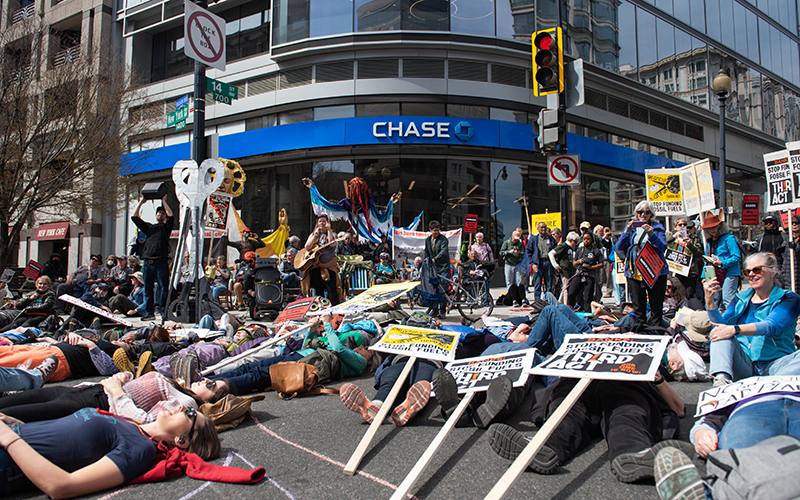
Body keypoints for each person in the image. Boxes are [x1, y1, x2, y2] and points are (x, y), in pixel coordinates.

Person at [488, 375, 690, 482]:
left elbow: (678, 408)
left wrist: (658, 379)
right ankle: (542, 447)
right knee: (568, 414)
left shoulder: (645, 366)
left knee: (626, 415)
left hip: (626, 384)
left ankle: (636, 453)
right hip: (580, 385)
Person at [0, 405, 220, 497]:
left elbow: (61, 487)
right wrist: (13, 424)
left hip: (7, 458)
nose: (182, 407)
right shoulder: (130, 424)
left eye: (190, 414)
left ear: (182, 441)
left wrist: (9, 438)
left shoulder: (141, 449)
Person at [704, 252, 800, 387]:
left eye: (757, 269)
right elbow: (720, 326)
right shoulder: (740, 298)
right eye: (747, 271)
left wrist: (734, 330)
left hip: (777, 367)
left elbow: (770, 326)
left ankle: (774, 388)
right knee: (720, 332)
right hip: (744, 365)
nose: (751, 274)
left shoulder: (789, 298)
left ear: (773, 271)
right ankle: (721, 382)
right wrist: (710, 301)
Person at [616, 200, 669, 327]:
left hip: (655, 272)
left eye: (646, 212)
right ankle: (641, 328)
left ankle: (656, 330)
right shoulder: (632, 229)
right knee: (638, 305)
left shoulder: (657, 228)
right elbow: (619, 246)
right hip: (635, 272)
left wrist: (651, 234)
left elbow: (662, 247)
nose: (643, 215)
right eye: (640, 212)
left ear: (651, 214)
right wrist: (626, 232)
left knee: (656, 305)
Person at [132, 195, 174, 318]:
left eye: (163, 213)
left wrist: (164, 201)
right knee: (148, 289)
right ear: (155, 215)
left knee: (163, 288)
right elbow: (134, 217)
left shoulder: (166, 228)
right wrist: (141, 202)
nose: (161, 214)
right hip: (147, 263)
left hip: (161, 262)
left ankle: (163, 310)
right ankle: (149, 312)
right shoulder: (149, 228)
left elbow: (171, 216)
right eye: (159, 213)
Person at [701, 214, 741, 310]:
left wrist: (722, 262)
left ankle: (732, 321)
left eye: (714, 227)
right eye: (709, 228)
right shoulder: (709, 242)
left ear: (719, 226)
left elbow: (736, 257)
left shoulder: (729, 238)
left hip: (730, 272)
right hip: (713, 273)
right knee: (713, 298)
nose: (712, 230)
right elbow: (707, 260)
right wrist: (704, 276)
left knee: (728, 298)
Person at [301, 214, 344, 305]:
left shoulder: (333, 234)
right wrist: (315, 234)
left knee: (331, 289)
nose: (322, 223)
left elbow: (331, 244)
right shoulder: (314, 234)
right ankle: (320, 308)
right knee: (318, 289)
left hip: (328, 266)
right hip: (316, 266)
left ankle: (334, 308)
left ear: (327, 222)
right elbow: (307, 246)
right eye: (320, 221)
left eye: (324, 221)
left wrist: (329, 230)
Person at [665, 217, 704, 300]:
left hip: (689, 272)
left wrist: (690, 244)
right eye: (680, 224)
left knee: (688, 295)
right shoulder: (670, 237)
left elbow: (698, 253)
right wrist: (673, 237)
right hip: (674, 271)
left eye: (685, 224)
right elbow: (662, 244)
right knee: (675, 295)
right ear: (675, 227)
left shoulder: (693, 238)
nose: (683, 226)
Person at [567, 232, 604, 312]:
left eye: (588, 239)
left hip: (589, 275)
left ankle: (587, 313)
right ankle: (570, 309)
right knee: (571, 292)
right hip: (579, 273)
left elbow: (601, 264)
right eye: (584, 239)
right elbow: (574, 263)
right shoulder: (579, 250)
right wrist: (578, 262)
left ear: (592, 240)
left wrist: (591, 267)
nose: (586, 241)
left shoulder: (596, 251)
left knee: (588, 297)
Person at [424, 220, 451, 318]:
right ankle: (434, 310)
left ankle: (442, 311)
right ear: (430, 230)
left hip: (443, 267)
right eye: (435, 230)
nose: (437, 232)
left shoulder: (443, 239)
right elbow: (427, 252)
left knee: (442, 289)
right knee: (434, 289)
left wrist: (435, 259)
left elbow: (444, 252)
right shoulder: (427, 240)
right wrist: (427, 261)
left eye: (438, 230)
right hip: (433, 269)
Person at [527, 222, 556, 301]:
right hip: (538, 263)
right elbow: (528, 252)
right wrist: (532, 264)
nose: (543, 229)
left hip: (548, 263)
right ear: (538, 229)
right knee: (537, 284)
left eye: (544, 227)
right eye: (541, 227)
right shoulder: (534, 239)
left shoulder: (551, 239)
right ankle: (537, 302)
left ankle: (548, 301)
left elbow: (556, 250)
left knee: (549, 284)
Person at [548, 231, 579, 304]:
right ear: (570, 240)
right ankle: (566, 304)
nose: (576, 244)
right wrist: (556, 265)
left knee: (565, 287)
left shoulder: (570, 248)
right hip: (563, 269)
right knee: (566, 288)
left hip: (569, 270)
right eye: (575, 242)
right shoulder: (563, 246)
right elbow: (551, 253)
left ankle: (559, 303)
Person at [500, 229, 526, 307]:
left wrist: (519, 253)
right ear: (512, 237)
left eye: (517, 239)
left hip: (518, 264)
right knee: (509, 282)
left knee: (520, 282)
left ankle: (520, 298)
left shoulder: (520, 244)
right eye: (515, 238)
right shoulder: (506, 243)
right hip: (508, 264)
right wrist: (509, 252)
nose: (515, 240)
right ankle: (511, 298)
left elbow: (523, 253)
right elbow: (501, 252)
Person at [782, 214, 800, 293]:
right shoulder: (787, 237)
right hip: (788, 276)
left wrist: (796, 245)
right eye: (792, 222)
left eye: (796, 222)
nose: (794, 224)